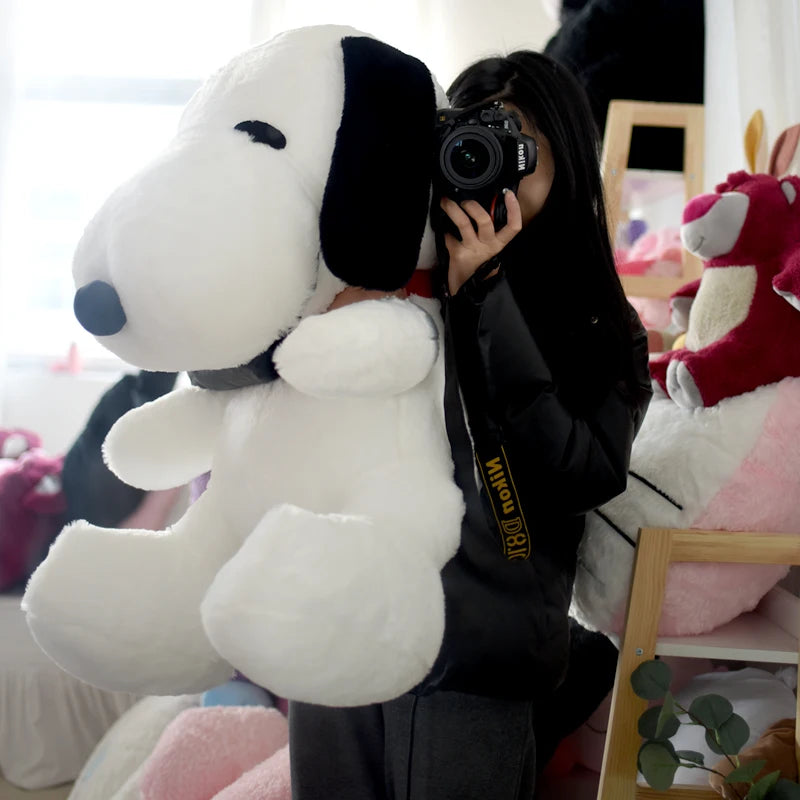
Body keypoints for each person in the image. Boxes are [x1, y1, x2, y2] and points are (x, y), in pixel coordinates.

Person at [289, 50, 652, 799]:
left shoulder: (598, 322)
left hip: (480, 650)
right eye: (469, 140)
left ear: (566, 163)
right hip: (345, 616)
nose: (489, 168)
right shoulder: (388, 275)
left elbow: (583, 472)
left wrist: (486, 296)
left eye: (516, 149)